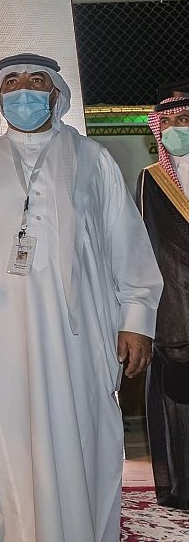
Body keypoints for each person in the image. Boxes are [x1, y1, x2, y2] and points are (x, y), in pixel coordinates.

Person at [0, 53, 163, 542]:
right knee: (6, 437)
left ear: (56, 94)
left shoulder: (93, 159)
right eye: (12, 83)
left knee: (82, 432)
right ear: (0, 97)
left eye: (36, 81)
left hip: (79, 334)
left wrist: (136, 319)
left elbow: (127, 244)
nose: (24, 91)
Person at [137, 96, 189, 509]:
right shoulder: (151, 180)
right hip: (176, 312)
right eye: (166, 121)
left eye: (183, 118)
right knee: (180, 404)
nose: (174, 128)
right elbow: (145, 246)